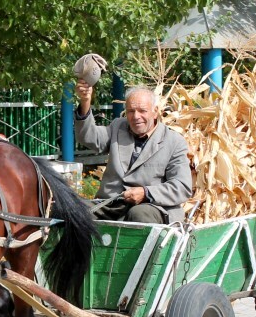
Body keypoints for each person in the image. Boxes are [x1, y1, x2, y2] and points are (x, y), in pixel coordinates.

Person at [74, 81, 193, 223]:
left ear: (155, 112)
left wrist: (146, 193)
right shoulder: (118, 127)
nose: (136, 116)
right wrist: (85, 102)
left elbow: (182, 187)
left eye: (142, 111)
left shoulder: (174, 141)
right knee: (72, 209)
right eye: (131, 111)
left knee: (138, 213)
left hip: (152, 206)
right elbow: (89, 137)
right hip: (110, 204)